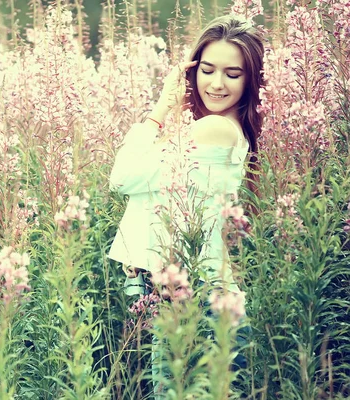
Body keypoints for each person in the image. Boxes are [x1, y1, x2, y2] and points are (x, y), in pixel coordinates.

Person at [107, 14, 265, 393]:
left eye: (233, 73)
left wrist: (160, 108)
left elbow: (121, 179)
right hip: (198, 297)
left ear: (251, 80)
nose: (216, 83)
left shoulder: (212, 129)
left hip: (196, 304)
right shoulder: (225, 128)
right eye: (207, 69)